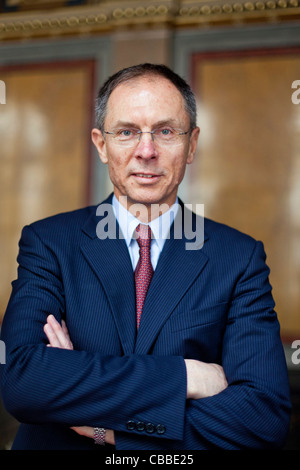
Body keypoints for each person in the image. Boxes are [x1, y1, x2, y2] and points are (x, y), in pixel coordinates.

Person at [0, 63, 291, 450]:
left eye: (166, 132)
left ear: (192, 145)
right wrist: (186, 378)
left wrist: (107, 426)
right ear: (101, 145)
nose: (147, 151)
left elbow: (262, 416)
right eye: (126, 132)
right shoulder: (49, 242)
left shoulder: (238, 257)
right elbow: (22, 381)